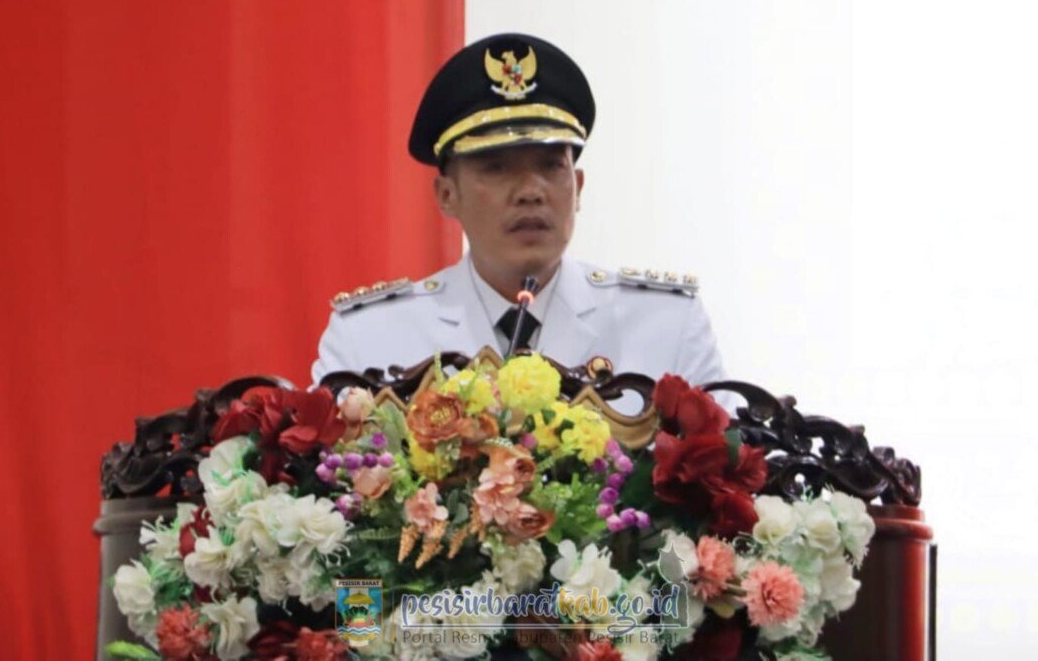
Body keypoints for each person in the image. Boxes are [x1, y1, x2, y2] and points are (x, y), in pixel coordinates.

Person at [311, 33, 727, 408]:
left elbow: (725, 464)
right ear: (447, 196)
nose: (531, 191)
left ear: (578, 187)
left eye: (550, 166)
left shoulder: (666, 324)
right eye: (497, 168)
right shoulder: (370, 336)